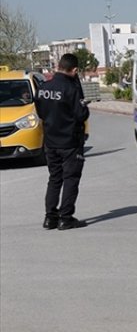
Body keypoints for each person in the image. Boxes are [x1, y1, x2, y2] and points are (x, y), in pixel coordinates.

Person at [35, 53, 90, 230]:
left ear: (59, 66)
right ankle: (66, 217)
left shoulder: (44, 87)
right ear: (74, 70)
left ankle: (50, 217)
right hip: (70, 142)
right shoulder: (71, 89)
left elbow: (41, 113)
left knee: (54, 179)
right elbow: (81, 115)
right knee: (71, 179)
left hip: (50, 141)